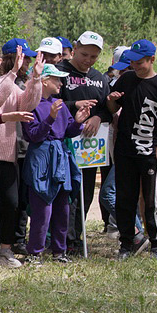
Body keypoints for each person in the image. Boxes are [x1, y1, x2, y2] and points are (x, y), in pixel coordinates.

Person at [107, 40, 157, 260]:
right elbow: (113, 108)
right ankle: (126, 244)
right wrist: (111, 100)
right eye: (132, 62)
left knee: (150, 200)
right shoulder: (125, 79)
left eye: (139, 62)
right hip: (125, 150)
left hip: (149, 153)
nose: (135, 66)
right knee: (124, 198)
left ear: (152, 60)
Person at [22, 64, 91, 264]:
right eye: (57, 79)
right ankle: (35, 252)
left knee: (63, 206)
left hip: (61, 157)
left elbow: (68, 131)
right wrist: (50, 118)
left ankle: (59, 251)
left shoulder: (58, 103)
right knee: (42, 208)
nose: (61, 83)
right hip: (41, 158)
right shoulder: (30, 104)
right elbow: (34, 135)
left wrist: (77, 122)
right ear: (44, 81)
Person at [57, 31, 113, 251]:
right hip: (63, 142)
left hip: (89, 147)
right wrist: (75, 105)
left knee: (85, 192)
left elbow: (107, 110)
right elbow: (49, 102)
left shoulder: (101, 78)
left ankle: (76, 237)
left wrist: (99, 116)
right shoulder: (60, 72)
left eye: (93, 56)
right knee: (65, 193)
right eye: (84, 54)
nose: (87, 60)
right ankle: (62, 240)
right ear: (75, 47)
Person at [0, 47, 41, 267]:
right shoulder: (6, 81)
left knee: (11, 203)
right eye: (19, 60)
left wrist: (36, 78)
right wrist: (13, 72)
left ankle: (5, 251)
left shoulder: (12, 85)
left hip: (6, 155)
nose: (23, 63)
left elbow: (28, 105)